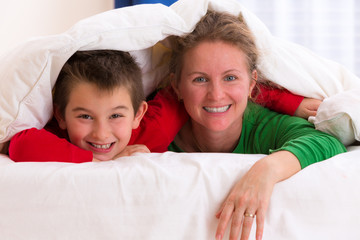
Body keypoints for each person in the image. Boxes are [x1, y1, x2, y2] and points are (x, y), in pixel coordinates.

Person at [166, 11, 346, 240]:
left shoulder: (263, 124)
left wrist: (266, 170)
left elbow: (328, 141)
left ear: (252, 83)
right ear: (177, 86)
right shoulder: (157, 133)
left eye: (230, 77)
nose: (216, 95)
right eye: (200, 79)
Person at [9, 50, 188, 163]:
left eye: (115, 116)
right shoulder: (59, 137)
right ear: (61, 115)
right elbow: (20, 144)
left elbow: (182, 91)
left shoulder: (154, 128)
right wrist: (94, 162)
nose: (101, 134)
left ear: (138, 115)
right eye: (85, 116)